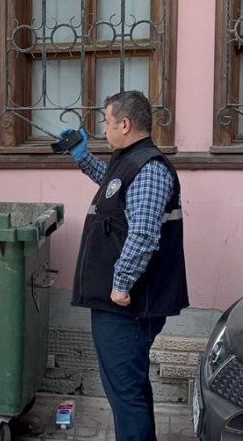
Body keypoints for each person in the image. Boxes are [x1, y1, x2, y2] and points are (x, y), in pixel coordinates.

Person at [62, 90, 188, 441]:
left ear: (125, 123)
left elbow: (144, 234)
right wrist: (82, 157)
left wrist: (120, 284)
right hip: (119, 305)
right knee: (128, 388)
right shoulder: (130, 161)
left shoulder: (148, 167)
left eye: (106, 120)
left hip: (128, 306)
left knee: (125, 394)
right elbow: (115, 188)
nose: (104, 128)